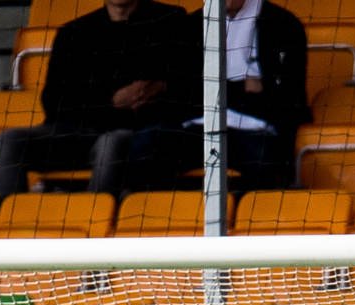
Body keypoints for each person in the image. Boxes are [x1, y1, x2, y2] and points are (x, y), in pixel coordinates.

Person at [0, 0, 198, 200]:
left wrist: (155, 89)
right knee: (9, 141)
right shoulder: (73, 33)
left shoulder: (170, 21)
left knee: (110, 142)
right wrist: (112, 102)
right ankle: (10, 222)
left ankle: (95, 220)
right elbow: (54, 102)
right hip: (77, 133)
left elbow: (182, 88)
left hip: (137, 133)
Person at [130, 0, 309, 194]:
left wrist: (214, 88)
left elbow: (288, 98)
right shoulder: (190, 26)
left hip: (256, 131)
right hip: (199, 127)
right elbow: (182, 92)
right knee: (146, 146)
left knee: (265, 164)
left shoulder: (283, 24)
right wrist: (243, 88)